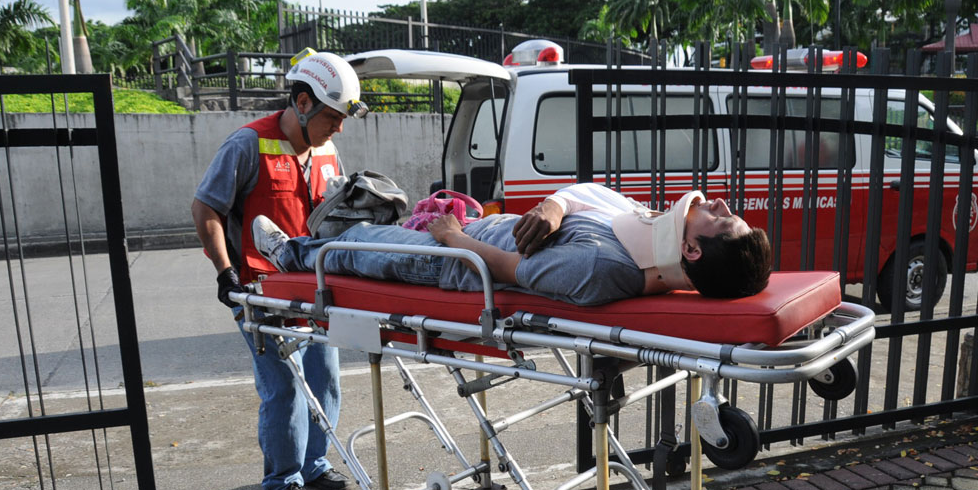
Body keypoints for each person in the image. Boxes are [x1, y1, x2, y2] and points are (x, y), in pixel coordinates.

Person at [191, 49, 369, 490]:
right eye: (334, 115)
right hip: (261, 292)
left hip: (315, 290)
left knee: (325, 380)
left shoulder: (327, 148)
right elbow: (206, 208)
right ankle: (284, 481)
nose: (340, 127)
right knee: (284, 388)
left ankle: (313, 464)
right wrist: (224, 271)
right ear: (304, 102)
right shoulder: (247, 145)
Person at [251, 182, 772, 306]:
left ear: (694, 252)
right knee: (379, 230)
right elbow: (589, 194)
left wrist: (453, 238)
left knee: (362, 243)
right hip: (482, 230)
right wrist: (553, 207)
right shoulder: (653, 234)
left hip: (456, 262)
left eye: (726, 223)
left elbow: (504, 269)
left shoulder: (601, 270)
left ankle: (288, 254)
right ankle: (306, 245)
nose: (725, 207)